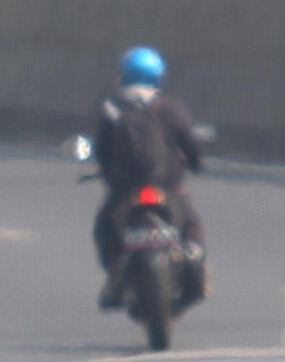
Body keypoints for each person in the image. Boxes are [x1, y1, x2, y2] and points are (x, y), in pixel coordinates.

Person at [88, 45, 211, 307]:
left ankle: (114, 277)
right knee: (191, 221)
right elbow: (190, 145)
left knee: (104, 226)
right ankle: (195, 258)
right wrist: (196, 163)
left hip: (125, 191)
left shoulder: (112, 109)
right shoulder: (171, 109)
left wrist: (107, 173)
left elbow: (101, 151)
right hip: (168, 188)